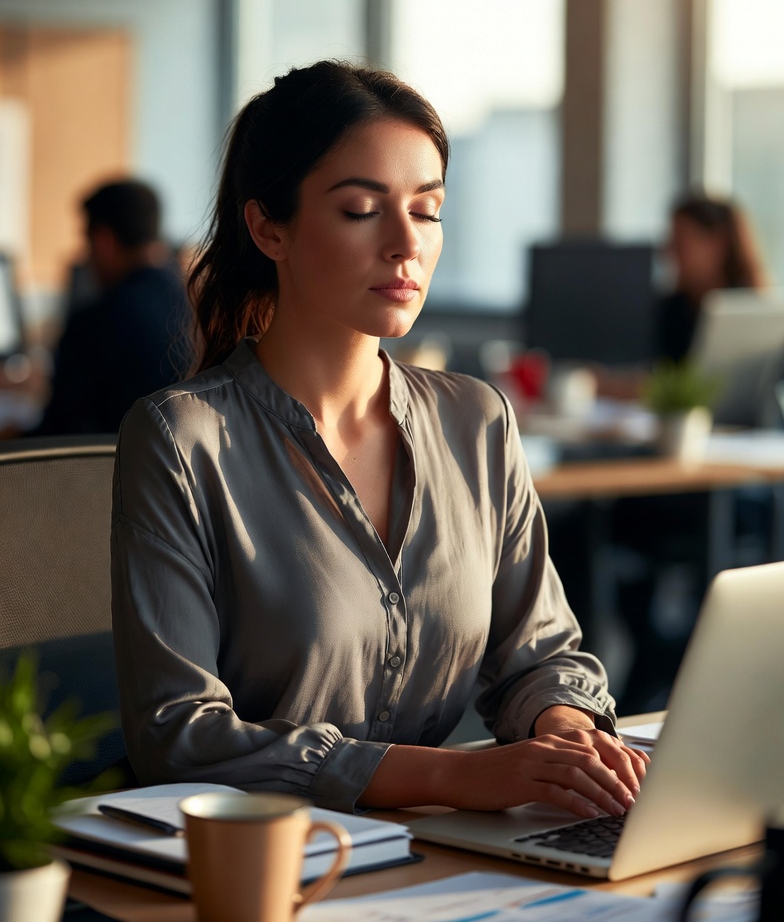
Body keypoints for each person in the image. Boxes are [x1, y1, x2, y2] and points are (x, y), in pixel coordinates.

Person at [111, 61, 647, 817]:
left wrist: (563, 734)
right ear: (269, 227)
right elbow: (177, 734)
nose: (405, 244)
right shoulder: (181, 439)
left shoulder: (477, 422)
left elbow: (542, 654)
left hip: (438, 857)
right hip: (264, 863)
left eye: (426, 211)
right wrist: (455, 778)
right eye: (362, 209)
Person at [30, 179, 191, 436]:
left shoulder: (95, 322)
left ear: (104, 241)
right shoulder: (190, 304)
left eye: (87, 242)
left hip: (110, 473)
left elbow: (53, 437)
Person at [655, 191, 768, 363]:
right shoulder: (673, 310)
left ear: (718, 244)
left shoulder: (754, 315)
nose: (669, 252)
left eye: (680, 244)